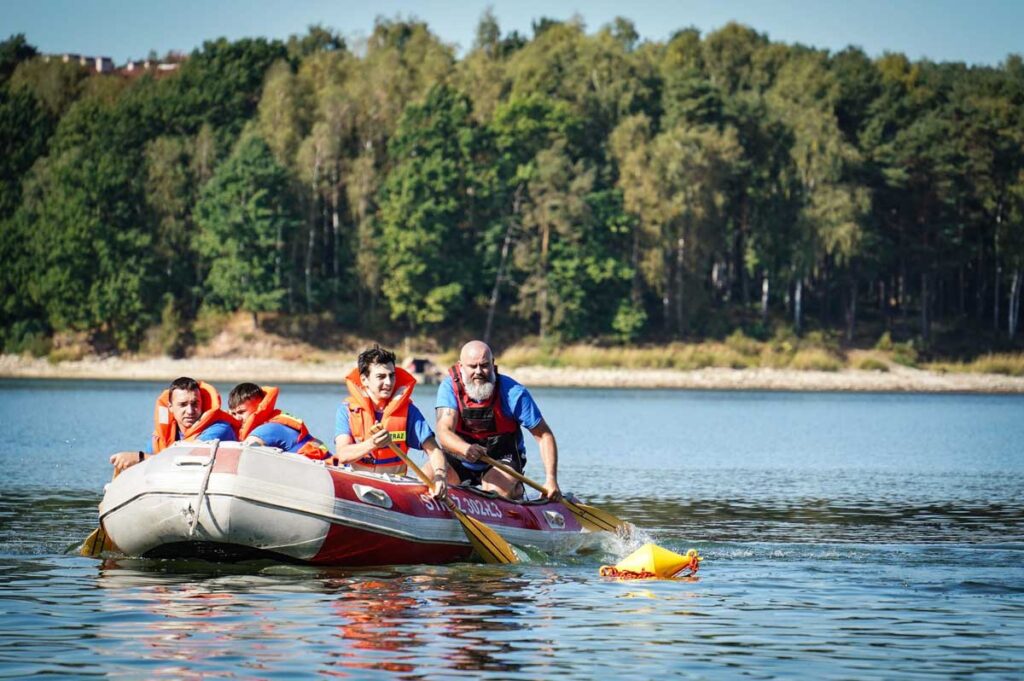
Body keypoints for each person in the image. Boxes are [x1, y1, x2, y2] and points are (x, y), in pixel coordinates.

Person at [434, 340, 560, 500]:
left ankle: (514, 489)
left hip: (502, 459)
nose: (479, 372)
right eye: (472, 366)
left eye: (484, 365)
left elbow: (544, 435)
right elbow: (443, 432)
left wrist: (551, 480)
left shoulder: (514, 392)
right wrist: (466, 449)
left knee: (492, 490)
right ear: (460, 366)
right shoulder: (449, 388)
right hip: (460, 456)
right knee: (428, 478)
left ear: (493, 364)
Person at [335, 345, 447, 498]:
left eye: (392, 376)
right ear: (364, 380)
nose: (388, 382)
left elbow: (434, 450)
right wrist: (372, 444)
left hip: (394, 494)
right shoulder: (347, 410)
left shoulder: (408, 411)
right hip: (356, 488)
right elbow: (343, 454)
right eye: (381, 377)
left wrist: (440, 475)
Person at [110, 376, 238, 473]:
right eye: (183, 405)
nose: (190, 411)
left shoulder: (220, 428)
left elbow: (186, 456)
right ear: (170, 407)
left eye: (195, 404)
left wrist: (139, 457)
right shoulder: (161, 436)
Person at [227, 383, 330, 460]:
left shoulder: (269, 429)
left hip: (325, 469)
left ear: (259, 406)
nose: (237, 418)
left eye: (241, 412)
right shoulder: (270, 422)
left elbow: (244, 454)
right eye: (234, 414)